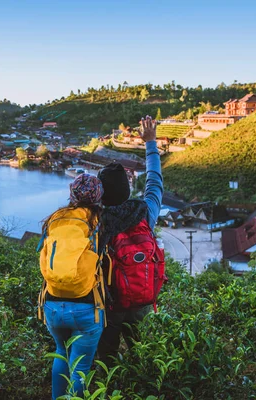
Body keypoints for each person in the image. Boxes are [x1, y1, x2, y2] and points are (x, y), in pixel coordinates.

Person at [96, 115, 163, 366]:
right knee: (142, 351)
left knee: (108, 357)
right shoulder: (144, 213)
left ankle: (111, 384)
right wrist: (151, 143)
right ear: (128, 189)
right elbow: (155, 180)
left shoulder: (98, 221)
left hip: (110, 303)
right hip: (142, 297)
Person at [37, 173, 106, 399]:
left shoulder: (55, 219)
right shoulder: (98, 221)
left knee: (61, 354)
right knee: (80, 368)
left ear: (71, 193)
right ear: (98, 196)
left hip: (52, 304)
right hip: (87, 306)